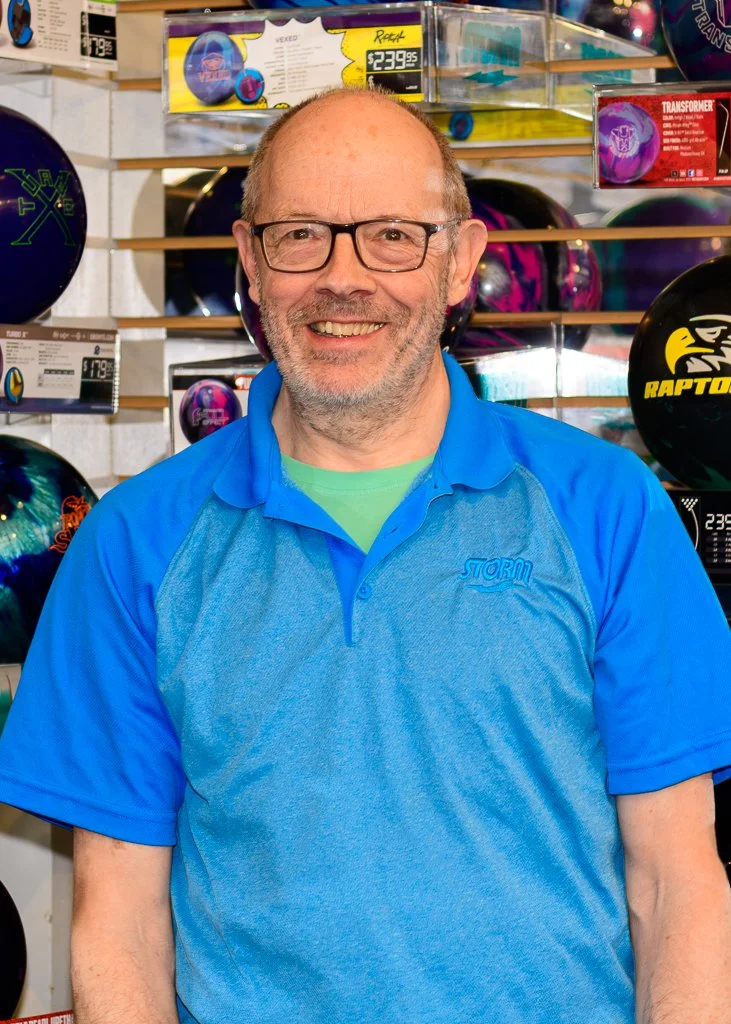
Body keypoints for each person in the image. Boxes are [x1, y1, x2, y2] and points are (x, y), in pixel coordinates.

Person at [1, 86, 731, 1024]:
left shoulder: (605, 509)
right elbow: (120, 922)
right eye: (300, 233)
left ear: (461, 262)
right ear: (250, 265)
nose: (343, 277)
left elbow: (675, 885)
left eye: (393, 235)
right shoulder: (132, 542)